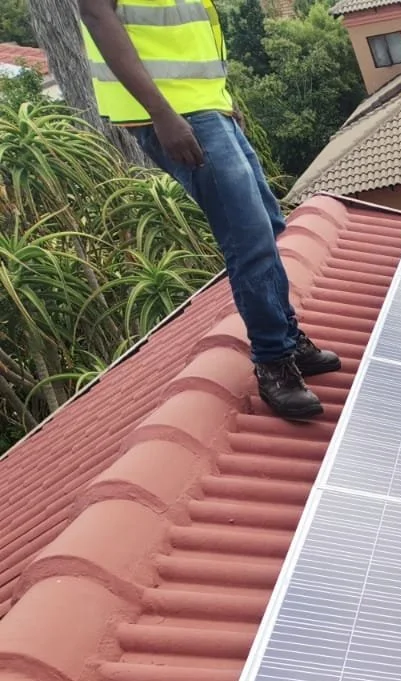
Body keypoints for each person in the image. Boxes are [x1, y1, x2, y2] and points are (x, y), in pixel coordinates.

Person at [79, 0, 340, 422]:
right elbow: (95, 14)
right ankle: (274, 362)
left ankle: (287, 338)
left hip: (207, 107)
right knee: (247, 235)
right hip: (174, 111)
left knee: (268, 223)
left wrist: (221, 103)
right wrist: (161, 113)